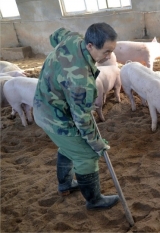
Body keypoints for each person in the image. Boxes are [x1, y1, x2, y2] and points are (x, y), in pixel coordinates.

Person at [33, 23, 119, 210]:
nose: (109, 56)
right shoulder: (82, 81)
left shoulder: (72, 37)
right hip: (54, 117)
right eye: (105, 52)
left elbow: (55, 34)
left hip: (46, 104)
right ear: (90, 46)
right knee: (86, 155)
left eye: (112, 50)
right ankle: (94, 201)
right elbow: (82, 119)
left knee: (70, 147)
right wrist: (98, 145)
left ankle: (65, 185)